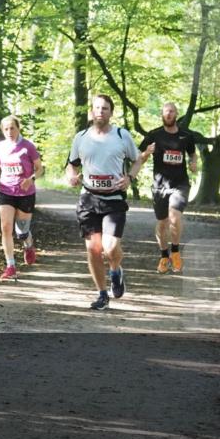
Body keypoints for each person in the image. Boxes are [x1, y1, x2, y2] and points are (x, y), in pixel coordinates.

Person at [65, 94, 140, 310]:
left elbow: (137, 160)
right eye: (97, 108)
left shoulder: (121, 135)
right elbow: (72, 164)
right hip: (88, 198)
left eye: (105, 108)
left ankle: (116, 270)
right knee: (93, 249)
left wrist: (130, 178)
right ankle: (102, 294)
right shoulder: (81, 137)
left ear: (111, 112)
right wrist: (71, 176)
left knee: (110, 247)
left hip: (114, 199)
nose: (100, 111)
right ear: (91, 111)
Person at [128, 102, 199, 273]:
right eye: (166, 111)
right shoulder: (154, 135)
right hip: (160, 186)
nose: (169, 114)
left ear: (176, 114)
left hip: (180, 184)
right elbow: (138, 158)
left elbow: (192, 153)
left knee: (174, 218)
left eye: (172, 111)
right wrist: (146, 153)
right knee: (162, 223)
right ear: (162, 114)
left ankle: (175, 253)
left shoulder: (186, 135)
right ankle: (164, 255)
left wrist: (194, 163)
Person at [0, 115, 44, 280]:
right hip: (6, 191)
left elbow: (40, 168)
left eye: (12, 128)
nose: (9, 132)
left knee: (22, 231)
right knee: (5, 228)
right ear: (2, 131)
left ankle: (28, 244)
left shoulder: (28, 147)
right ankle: (10, 265)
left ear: (18, 128)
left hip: (25, 193)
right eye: (6, 129)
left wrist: (31, 179)